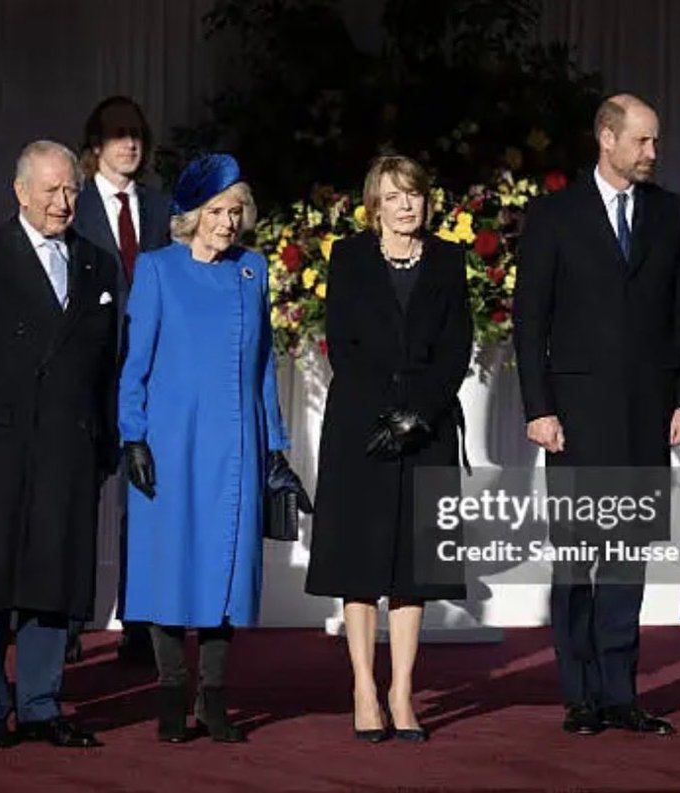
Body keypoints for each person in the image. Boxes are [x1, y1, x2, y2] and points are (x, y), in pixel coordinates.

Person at [514, 94, 680, 736]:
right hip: (573, 418)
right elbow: (530, 320)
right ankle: (580, 695)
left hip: (647, 414)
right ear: (607, 137)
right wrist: (539, 409)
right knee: (577, 560)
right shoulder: (554, 215)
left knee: (627, 558)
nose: (653, 152)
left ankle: (620, 695)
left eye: (655, 141)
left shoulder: (671, 213)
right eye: (643, 140)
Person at [118, 153, 309, 743]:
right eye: (218, 211)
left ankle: (215, 696)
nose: (229, 223)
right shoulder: (157, 269)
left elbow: (262, 369)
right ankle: (172, 692)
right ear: (191, 215)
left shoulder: (252, 270)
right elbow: (135, 365)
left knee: (226, 570)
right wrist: (133, 436)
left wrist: (275, 448)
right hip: (170, 443)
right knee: (169, 567)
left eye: (236, 211)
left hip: (236, 443)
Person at [0, 140, 115, 750]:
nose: (62, 202)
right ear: (19, 191)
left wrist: (104, 443)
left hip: (68, 445)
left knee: (54, 576)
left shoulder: (97, 264)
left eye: (71, 190)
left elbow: (106, 366)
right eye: (50, 190)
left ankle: (41, 703)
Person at [306, 155, 472, 743]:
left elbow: (456, 346)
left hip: (427, 427)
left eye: (414, 195)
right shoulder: (349, 257)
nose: (406, 206)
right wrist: (387, 413)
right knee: (360, 560)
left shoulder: (449, 259)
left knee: (413, 566)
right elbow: (343, 344)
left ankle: (401, 691)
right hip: (362, 426)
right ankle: (363, 688)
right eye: (394, 196)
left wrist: (418, 413)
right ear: (374, 206)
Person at [68, 95, 171, 665]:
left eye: (137, 134)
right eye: (117, 134)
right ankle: (67, 621)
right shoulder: (73, 203)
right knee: (76, 499)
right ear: (95, 145)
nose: (130, 144)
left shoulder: (161, 208)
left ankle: (140, 622)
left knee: (146, 500)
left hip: (150, 372)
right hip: (87, 372)